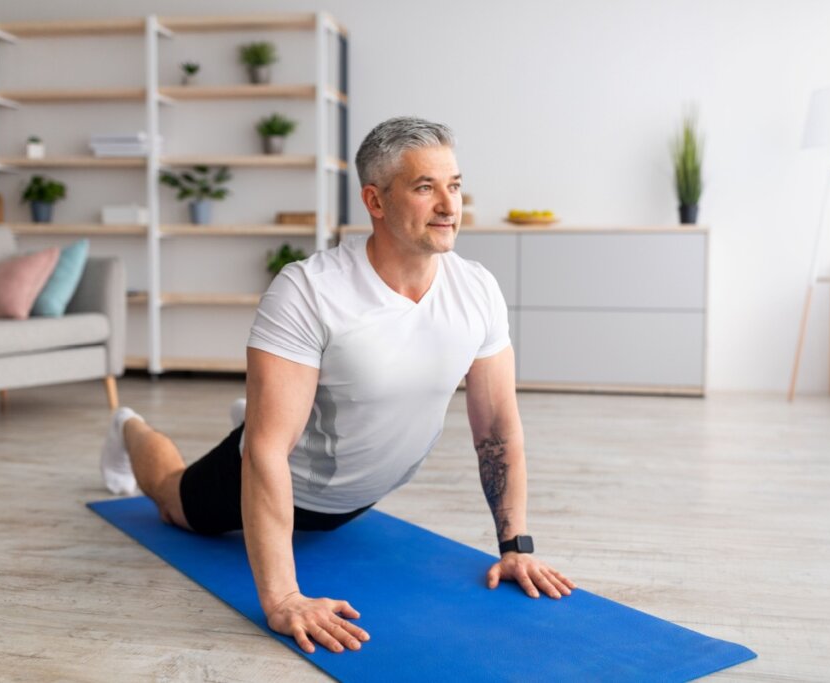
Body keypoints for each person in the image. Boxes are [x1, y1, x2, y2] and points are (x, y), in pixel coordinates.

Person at [100, 116, 576, 655]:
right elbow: (266, 451)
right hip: (295, 482)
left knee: (283, 425)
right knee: (173, 501)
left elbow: (496, 430)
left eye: (455, 185)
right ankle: (128, 428)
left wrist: (516, 546)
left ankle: (283, 405)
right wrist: (282, 599)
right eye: (426, 188)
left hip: (361, 487)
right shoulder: (308, 291)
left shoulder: (477, 289)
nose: (449, 206)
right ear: (375, 201)